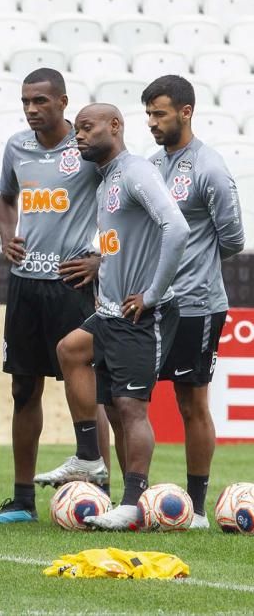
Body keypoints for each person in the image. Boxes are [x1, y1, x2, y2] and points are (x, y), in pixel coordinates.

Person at [0, 68, 104, 524]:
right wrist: (6, 235)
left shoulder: (87, 149)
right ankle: (22, 501)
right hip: (25, 284)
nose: (32, 109)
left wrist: (100, 259)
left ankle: (99, 487)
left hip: (71, 282)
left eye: (41, 101)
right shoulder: (16, 146)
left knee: (87, 384)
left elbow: (125, 207)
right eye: (26, 102)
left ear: (63, 102)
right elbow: (6, 198)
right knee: (22, 388)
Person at [67, 104, 189, 531]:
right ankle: (91, 458)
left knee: (130, 407)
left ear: (114, 126)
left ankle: (134, 501)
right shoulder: (107, 179)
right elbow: (123, 240)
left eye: (86, 127)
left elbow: (176, 227)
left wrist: (153, 293)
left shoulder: (135, 171)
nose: (78, 136)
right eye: (77, 129)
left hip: (141, 314)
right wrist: (99, 260)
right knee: (74, 355)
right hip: (110, 312)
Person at [142, 76, 245, 527]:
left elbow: (234, 239)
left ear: (186, 112)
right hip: (151, 302)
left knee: (191, 403)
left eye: (159, 113)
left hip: (196, 304)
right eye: (148, 114)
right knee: (130, 399)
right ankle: (135, 499)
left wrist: (194, 266)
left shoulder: (210, 168)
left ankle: (199, 508)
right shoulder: (150, 165)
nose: (152, 122)